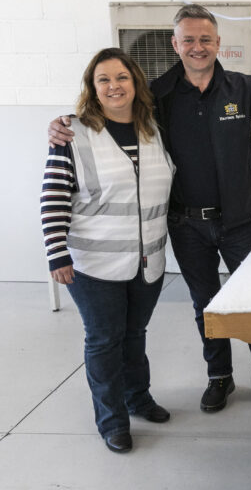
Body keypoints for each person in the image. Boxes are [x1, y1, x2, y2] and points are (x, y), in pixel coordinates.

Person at [50, 4, 251, 414]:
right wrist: (61, 124)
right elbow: (113, 118)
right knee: (206, 304)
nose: (198, 47)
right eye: (189, 40)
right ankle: (220, 377)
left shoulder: (244, 88)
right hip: (186, 225)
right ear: (175, 44)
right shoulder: (157, 96)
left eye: (206, 39)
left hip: (239, 223)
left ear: (218, 43)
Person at [41, 48, 174, 453]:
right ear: (92, 87)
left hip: (147, 261)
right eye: (104, 79)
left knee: (134, 335)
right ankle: (112, 420)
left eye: (121, 78)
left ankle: (138, 399)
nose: (114, 86)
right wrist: (56, 253)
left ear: (135, 83)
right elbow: (53, 195)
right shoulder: (74, 133)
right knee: (104, 340)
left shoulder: (153, 129)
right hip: (93, 264)